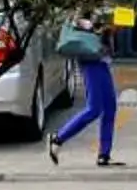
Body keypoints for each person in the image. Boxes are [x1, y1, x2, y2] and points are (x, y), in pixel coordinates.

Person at [49, 8, 123, 166]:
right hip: (90, 60)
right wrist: (101, 27)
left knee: (110, 107)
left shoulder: (106, 1)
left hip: (102, 59)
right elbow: (80, 25)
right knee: (94, 109)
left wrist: (112, 28)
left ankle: (104, 154)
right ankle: (58, 138)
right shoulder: (85, 1)